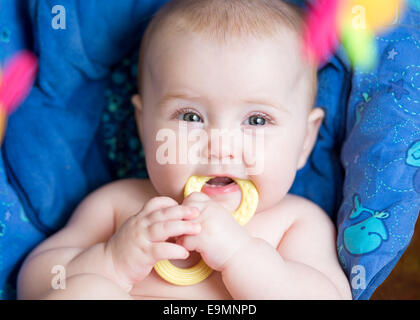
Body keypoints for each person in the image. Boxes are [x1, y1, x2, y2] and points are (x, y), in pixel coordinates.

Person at [17, 0, 351, 300]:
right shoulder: (118, 206)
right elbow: (35, 284)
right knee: (84, 291)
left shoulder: (296, 223)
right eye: (191, 116)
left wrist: (241, 255)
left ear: (304, 141)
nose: (221, 145)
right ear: (143, 125)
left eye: (257, 120)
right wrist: (112, 260)